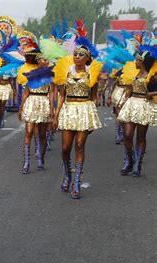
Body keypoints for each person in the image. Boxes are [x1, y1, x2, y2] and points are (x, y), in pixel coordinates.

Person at [53, 45, 102, 199]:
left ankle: (76, 182)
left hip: (84, 110)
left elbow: (94, 97)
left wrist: (92, 117)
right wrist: (55, 115)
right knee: (65, 148)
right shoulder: (66, 71)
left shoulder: (91, 73)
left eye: (81, 54)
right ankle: (67, 174)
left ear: (87, 58)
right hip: (68, 110)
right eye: (75, 54)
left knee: (79, 146)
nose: (77, 56)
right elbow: (61, 95)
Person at [117, 51, 155, 177]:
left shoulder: (152, 75)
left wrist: (151, 94)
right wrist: (123, 100)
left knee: (140, 137)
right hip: (131, 104)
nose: (135, 62)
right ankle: (130, 160)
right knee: (127, 135)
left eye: (137, 60)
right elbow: (129, 88)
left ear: (143, 62)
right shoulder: (134, 72)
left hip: (144, 106)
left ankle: (138, 164)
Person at [19, 54, 54, 173]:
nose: (46, 61)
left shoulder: (51, 75)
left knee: (42, 134)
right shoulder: (31, 73)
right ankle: (26, 162)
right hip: (31, 102)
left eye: (47, 59)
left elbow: (52, 93)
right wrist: (21, 107)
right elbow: (26, 92)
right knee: (29, 131)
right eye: (43, 59)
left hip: (44, 103)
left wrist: (52, 109)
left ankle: (41, 158)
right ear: (38, 61)